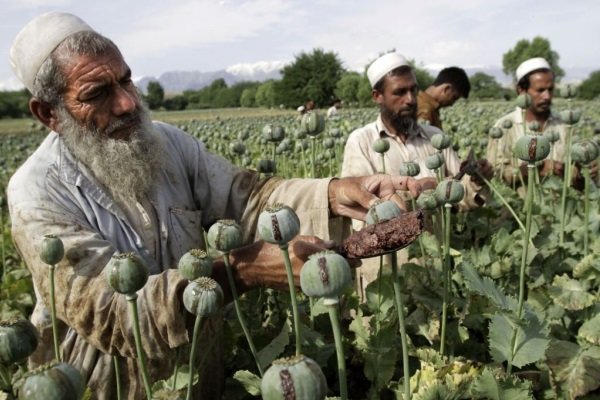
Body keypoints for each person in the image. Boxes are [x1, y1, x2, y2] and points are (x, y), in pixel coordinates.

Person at [7, 13, 426, 399]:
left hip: (198, 373)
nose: (127, 103)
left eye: (126, 81)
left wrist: (333, 192)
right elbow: (113, 314)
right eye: (98, 93)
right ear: (49, 113)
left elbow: (248, 199)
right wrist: (243, 270)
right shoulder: (37, 191)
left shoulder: (167, 143)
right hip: (105, 385)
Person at [341, 52, 492, 297]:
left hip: (434, 270)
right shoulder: (362, 141)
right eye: (399, 92)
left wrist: (475, 179)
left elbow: (460, 197)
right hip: (387, 278)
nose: (410, 99)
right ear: (377, 96)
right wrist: (412, 196)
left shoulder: (435, 137)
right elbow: (359, 213)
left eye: (413, 90)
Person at [486, 57, 570, 185]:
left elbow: (574, 167)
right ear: (521, 90)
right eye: (540, 90)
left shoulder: (564, 125)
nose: (547, 96)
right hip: (518, 204)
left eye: (550, 89)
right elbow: (494, 176)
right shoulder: (503, 127)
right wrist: (533, 169)